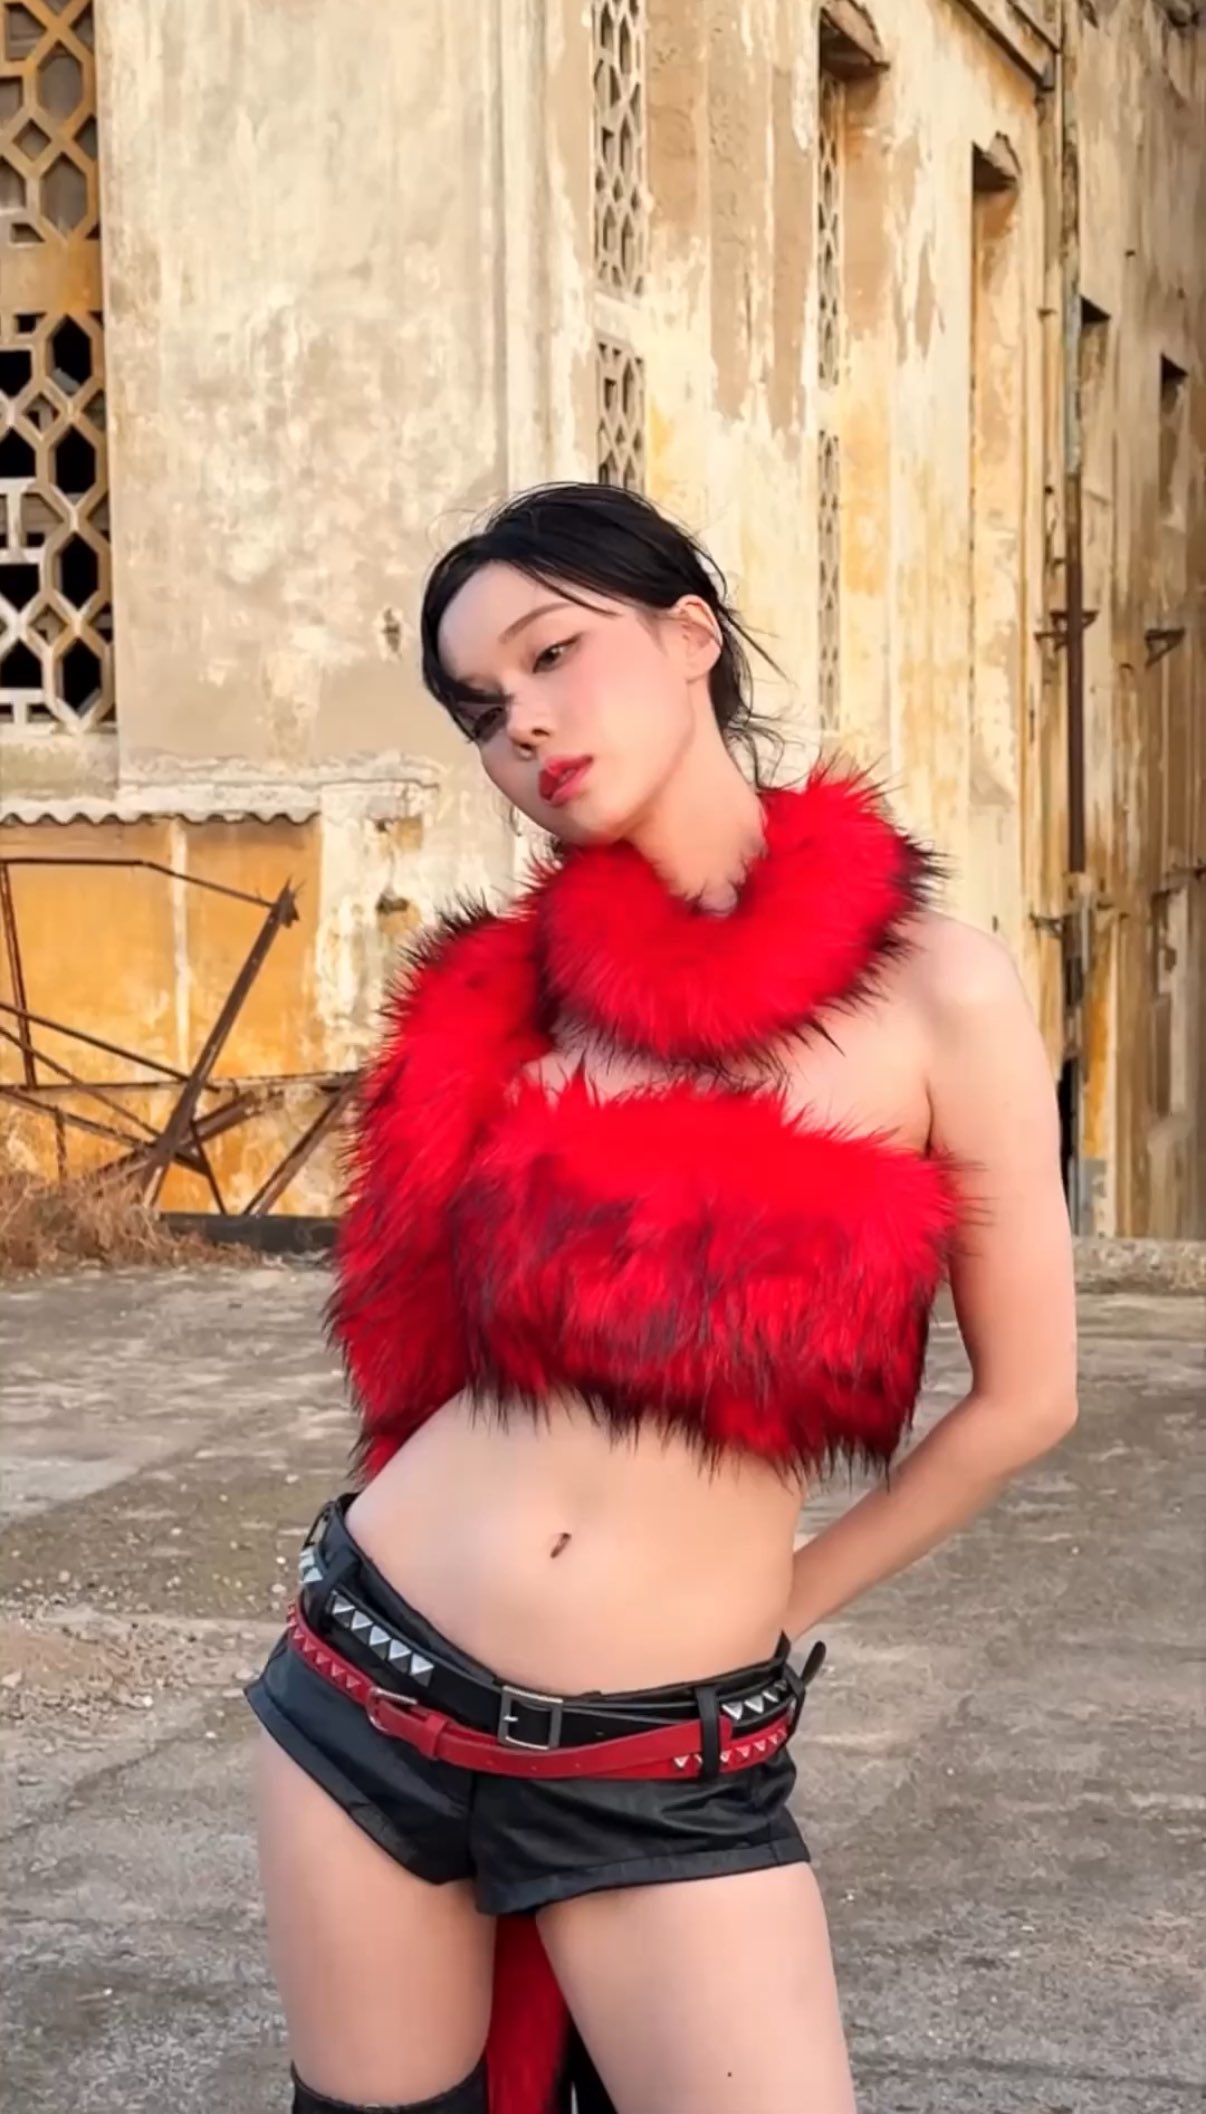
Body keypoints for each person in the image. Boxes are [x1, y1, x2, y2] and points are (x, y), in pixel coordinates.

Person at [246, 482, 1078, 2114]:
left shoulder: (939, 989)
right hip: (366, 1691)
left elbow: (1027, 1397)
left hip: (655, 1757)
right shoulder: (513, 995)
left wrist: (781, 1602)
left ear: (689, 635)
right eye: (481, 706)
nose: (522, 722)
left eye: (552, 652)